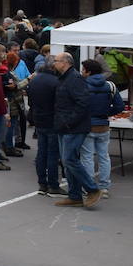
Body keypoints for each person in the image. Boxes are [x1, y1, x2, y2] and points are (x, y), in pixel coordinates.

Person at [54, 53, 103, 208]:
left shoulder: (74, 79)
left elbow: (83, 102)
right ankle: (74, 195)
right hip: (64, 126)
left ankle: (92, 189)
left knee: (70, 159)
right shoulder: (65, 78)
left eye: (56, 61)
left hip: (73, 127)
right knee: (67, 161)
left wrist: (70, 122)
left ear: (65, 63)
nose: (54, 63)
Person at [83, 58, 125, 198]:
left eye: (83, 69)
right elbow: (120, 106)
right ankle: (104, 187)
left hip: (88, 125)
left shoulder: (82, 85)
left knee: (87, 157)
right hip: (103, 125)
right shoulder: (110, 85)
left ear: (88, 72)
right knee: (104, 156)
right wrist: (107, 113)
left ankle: (90, 187)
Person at [28, 56, 64, 195]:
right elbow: (59, 103)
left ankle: (42, 183)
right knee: (52, 154)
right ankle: (53, 184)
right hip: (52, 120)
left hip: (39, 118)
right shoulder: (56, 82)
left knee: (42, 152)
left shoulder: (36, 79)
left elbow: (30, 100)